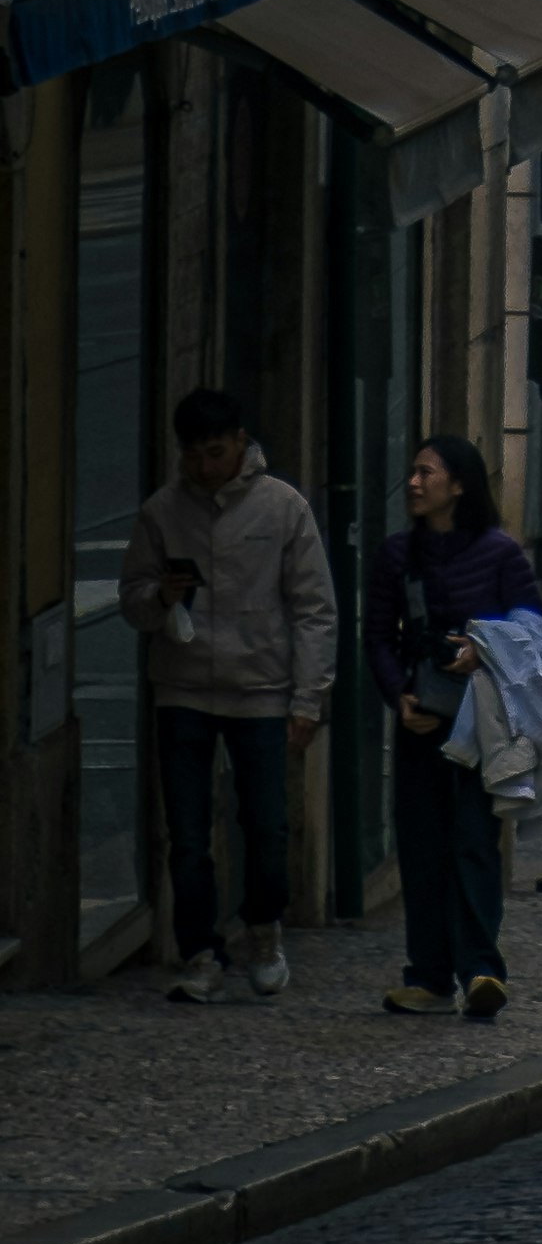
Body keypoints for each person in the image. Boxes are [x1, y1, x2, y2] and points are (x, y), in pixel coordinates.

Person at [120, 385, 334, 1005]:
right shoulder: (163, 511)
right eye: (193, 457)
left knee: (267, 827)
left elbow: (315, 609)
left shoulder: (283, 509)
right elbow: (131, 599)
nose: (204, 468)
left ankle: (263, 928)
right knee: (186, 834)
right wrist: (159, 596)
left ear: (240, 443)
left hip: (261, 690)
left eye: (214, 453)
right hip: (181, 688)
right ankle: (200, 952)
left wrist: (307, 699)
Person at [368, 433, 540, 1022]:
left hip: (482, 721)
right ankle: (429, 977)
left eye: (427, 473)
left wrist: (480, 651)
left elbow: (531, 629)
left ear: (459, 486)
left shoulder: (499, 554)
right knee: (421, 848)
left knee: (474, 842)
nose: (414, 483)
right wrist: (399, 696)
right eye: (412, 472)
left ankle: (482, 969)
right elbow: (376, 637)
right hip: (422, 720)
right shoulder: (397, 554)